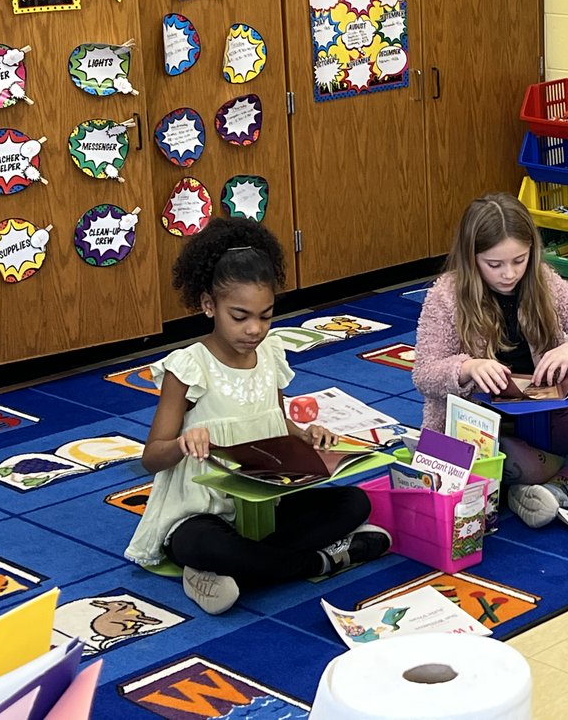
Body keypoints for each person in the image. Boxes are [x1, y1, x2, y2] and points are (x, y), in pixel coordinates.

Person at [125, 217, 390, 614]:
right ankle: (319, 561)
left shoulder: (270, 355)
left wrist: (305, 434)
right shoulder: (188, 367)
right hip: (202, 513)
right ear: (208, 305)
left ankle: (224, 572)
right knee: (204, 545)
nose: (254, 329)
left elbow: (273, 417)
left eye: (265, 316)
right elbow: (151, 458)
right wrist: (183, 444)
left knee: (353, 502)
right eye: (240, 316)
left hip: (267, 504)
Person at [413, 193, 568, 528]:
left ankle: (556, 489)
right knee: (508, 462)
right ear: (471, 258)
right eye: (494, 265)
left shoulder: (542, 279)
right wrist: (468, 367)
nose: (508, 274)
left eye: (519, 260)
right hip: (488, 428)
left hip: (547, 415)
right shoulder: (446, 295)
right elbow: (424, 373)